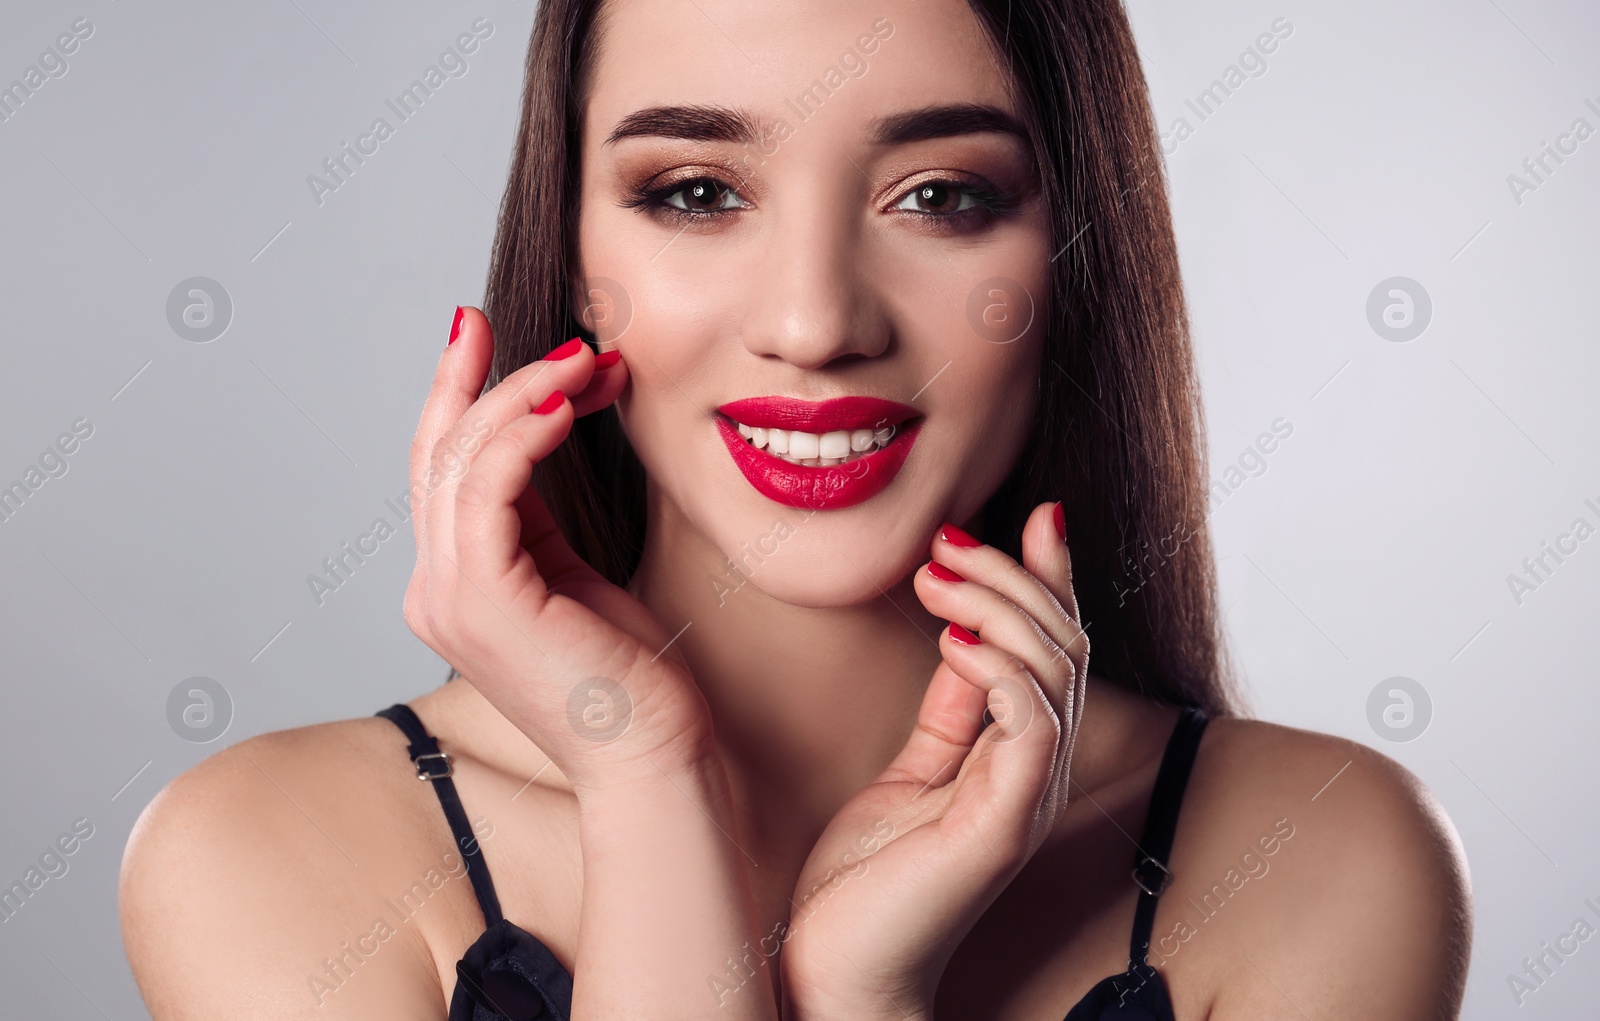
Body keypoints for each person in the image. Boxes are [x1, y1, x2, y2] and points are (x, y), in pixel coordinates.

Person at [119, 0, 1472, 1017]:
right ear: (575, 257)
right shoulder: (261, 852)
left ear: (1067, 255)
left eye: (940, 196)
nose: (815, 321)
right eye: (697, 193)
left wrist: (863, 999)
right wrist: (650, 786)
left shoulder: (1327, 854)